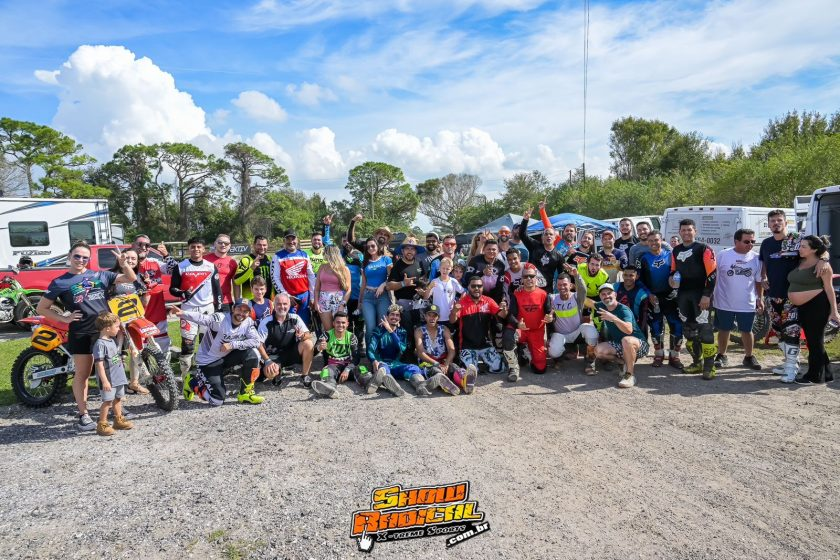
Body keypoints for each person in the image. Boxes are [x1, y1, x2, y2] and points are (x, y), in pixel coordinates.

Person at [37, 241, 136, 431]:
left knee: (113, 369)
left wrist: (124, 264)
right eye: (77, 256)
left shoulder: (100, 275)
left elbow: (130, 279)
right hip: (81, 332)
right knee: (83, 374)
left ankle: (117, 410)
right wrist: (64, 319)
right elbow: (42, 308)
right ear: (69, 256)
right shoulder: (60, 282)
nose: (80, 260)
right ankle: (84, 415)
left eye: (85, 257)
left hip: (104, 331)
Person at [758, 209, 827, 377]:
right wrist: (763, 276)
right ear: (768, 224)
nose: (776, 223)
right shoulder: (766, 243)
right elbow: (764, 263)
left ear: (786, 222)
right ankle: (791, 362)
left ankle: (790, 369)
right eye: (772, 221)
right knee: (778, 331)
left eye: (779, 220)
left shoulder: (797, 239)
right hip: (772, 295)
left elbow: (821, 248)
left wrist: (824, 259)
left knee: (791, 330)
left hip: (793, 295)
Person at [177, 298, 264, 405]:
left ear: (249, 313)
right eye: (239, 309)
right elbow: (202, 318)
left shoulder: (248, 322)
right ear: (233, 308)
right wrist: (183, 313)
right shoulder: (220, 319)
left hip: (226, 357)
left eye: (245, 311)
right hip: (208, 362)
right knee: (217, 400)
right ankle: (192, 381)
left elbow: (256, 341)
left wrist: (232, 345)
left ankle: (245, 393)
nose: (241, 313)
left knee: (254, 354)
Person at [786, 236, 838, 384]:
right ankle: (827, 374)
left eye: (804, 246)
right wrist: (824, 257)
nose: (800, 248)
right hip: (803, 307)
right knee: (813, 340)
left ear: (814, 249)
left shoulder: (823, 266)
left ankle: (815, 376)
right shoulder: (800, 260)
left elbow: (829, 289)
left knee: (815, 341)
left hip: (817, 305)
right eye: (800, 245)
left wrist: (834, 311)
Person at [670, 219, 717, 379]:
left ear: (695, 231)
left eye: (689, 230)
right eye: (683, 230)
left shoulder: (704, 248)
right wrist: (671, 279)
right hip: (683, 296)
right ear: (679, 232)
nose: (686, 233)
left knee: (705, 330)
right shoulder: (675, 250)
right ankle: (697, 363)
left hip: (700, 295)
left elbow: (712, 274)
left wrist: (707, 295)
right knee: (689, 331)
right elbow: (673, 271)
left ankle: (709, 367)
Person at [170, 237, 222, 377]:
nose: (196, 249)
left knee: (208, 344)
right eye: (193, 247)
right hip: (188, 310)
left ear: (204, 249)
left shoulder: (211, 266)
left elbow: (217, 290)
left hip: (207, 310)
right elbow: (172, 288)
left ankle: (205, 374)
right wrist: (182, 293)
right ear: (189, 249)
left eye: (199, 247)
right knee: (188, 346)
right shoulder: (181, 266)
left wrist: (218, 310)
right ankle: (185, 376)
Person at [713, 229, 764, 370]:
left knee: (747, 330)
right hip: (724, 301)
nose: (750, 244)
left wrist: (760, 298)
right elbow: (714, 276)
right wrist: (710, 294)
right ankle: (721, 355)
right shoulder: (723, 255)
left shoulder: (756, 258)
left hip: (747, 301)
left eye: (753, 241)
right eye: (746, 241)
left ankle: (749, 357)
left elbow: (758, 281)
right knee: (724, 329)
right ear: (736, 241)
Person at [637, 231, 684, 369]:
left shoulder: (671, 255)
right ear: (647, 242)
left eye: (656, 240)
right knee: (656, 327)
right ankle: (659, 355)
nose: (653, 243)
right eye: (650, 240)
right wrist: (649, 294)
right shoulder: (643, 258)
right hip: (654, 298)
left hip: (671, 297)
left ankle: (675, 356)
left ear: (661, 240)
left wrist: (677, 288)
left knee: (677, 325)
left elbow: (679, 274)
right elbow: (639, 280)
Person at [450, 276, 510, 380]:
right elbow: (452, 321)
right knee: (471, 372)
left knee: (499, 368)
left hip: (485, 344)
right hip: (467, 346)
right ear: (468, 287)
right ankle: (474, 363)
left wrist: (504, 309)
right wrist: (454, 312)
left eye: (479, 286)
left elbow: (502, 315)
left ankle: (484, 362)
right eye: (473, 286)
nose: (476, 288)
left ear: (482, 287)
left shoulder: (489, 301)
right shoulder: (461, 302)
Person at [109, 248, 150, 396]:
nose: (130, 261)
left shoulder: (138, 277)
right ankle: (118, 387)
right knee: (117, 353)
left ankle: (134, 383)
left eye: (134, 259)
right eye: (127, 258)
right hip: (115, 322)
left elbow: (144, 301)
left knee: (136, 350)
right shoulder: (111, 275)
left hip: (133, 320)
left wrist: (147, 289)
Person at [593, 283, 650, 388]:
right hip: (620, 344)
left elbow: (628, 330)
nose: (606, 296)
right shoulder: (602, 306)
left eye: (609, 293)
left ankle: (630, 375)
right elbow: (588, 302)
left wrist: (613, 318)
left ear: (615, 294)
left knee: (626, 340)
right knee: (598, 351)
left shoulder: (623, 309)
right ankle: (623, 362)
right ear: (600, 297)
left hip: (638, 345)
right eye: (603, 294)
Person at [505, 263, 552, 380]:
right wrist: (517, 324)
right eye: (526, 276)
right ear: (522, 279)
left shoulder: (544, 294)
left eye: (531, 276)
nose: (529, 278)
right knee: (508, 335)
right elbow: (510, 315)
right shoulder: (516, 293)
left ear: (536, 278)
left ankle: (526, 351)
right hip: (521, 330)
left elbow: (549, 314)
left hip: (537, 332)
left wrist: (551, 318)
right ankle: (513, 367)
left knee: (540, 369)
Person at [133, 235, 176, 360]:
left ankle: (163, 370)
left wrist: (166, 255)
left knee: (162, 346)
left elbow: (175, 270)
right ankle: (142, 370)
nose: (144, 247)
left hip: (156, 312)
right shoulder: (127, 263)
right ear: (133, 245)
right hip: (136, 314)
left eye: (147, 245)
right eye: (140, 244)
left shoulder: (154, 262)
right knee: (138, 349)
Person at [258, 293, 316, 385]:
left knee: (308, 343)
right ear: (274, 305)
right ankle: (278, 371)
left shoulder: (295, 318)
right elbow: (259, 344)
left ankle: (305, 376)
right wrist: (267, 361)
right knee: (270, 373)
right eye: (279, 304)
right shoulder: (266, 322)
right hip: (273, 356)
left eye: (285, 304)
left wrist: (302, 336)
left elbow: (309, 335)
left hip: (291, 354)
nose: (282, 307)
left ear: (289, 305)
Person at [92, 312, 134, 436]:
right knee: (108, 401)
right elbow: (99, 364)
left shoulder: (112, 341)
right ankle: (102, 424)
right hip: (109, 379)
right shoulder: (100, 344)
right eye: (116, 327)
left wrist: (120, 358)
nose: (118, 329)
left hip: (118, 377)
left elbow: (113, 358)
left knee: (118, 398)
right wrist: (104, 381)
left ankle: (118, 420)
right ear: (107, 328)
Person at [547, 274, 600, 372]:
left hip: (577, 332)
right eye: (559, 285)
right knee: (553, 352)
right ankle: (559, 359)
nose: (562, 287)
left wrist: (577, 276)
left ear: (570, 285)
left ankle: (590, 360)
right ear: (556, 286)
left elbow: (583, 290)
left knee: (592, 332)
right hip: (560, 334)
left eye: (565, 284)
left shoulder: (577, 297)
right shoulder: (552, 298)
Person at [414, 305, 467, 395]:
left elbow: (451, 349)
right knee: (436, 371)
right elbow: (420, 352)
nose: (432, 318)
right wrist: (436, 363)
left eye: (434, 316)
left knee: (455, 367)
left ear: (438, 317)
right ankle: (446, 384)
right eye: (429, 315)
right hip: (428, 362)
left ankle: (465, 382)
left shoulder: (444, 329)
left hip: (443, 361)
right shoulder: (419, 331)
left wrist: (446, 364)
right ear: (425, 316)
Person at [365, 304, 414, 397]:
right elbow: (371, 349)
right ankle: (395, 388)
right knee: (383, 369)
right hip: (381, 363)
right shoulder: (378, 331)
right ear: (387, 317)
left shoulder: (402, 332)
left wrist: (390, 331)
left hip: (396, 364)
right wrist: (374, 360)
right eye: (392, 314)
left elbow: (402, 348)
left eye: (397, 315)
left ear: (400, 318)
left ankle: (420, 385)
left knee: (414, 368)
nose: (394, 317)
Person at [311, 311, 362, 399]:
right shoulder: (326, 335)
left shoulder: (351, 336)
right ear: (333, 323)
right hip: (332, 367)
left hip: (347, 367)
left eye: (343, 322)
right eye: (338, 322)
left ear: (347, 324)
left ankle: (371, 384)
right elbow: (313, 352)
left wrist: (347, 369)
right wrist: (319, 347)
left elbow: (356, 357)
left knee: (362, 369)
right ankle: (330, 388)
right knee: (326, 371)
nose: (340, 325)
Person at [271, 229, 316, 326]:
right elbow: (275, 278)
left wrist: (312, 297)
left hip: (305, 296)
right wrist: (286, 295)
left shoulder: (304, 255)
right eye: (288, 239)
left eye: (293, 239)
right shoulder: (277, 256)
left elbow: (311, 276)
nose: (291, 242)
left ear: (297, 240)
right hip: (288, 297)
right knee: (289, 325)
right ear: (284, 241)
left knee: (304, 325)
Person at [387, 237, 427, 344]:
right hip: (403, 303)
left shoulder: (419, 262)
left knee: (419, 329)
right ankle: (407, 351)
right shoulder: (398, 265)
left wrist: (423, 289)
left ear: (416, 251)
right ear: (402, 251)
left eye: (412, 249)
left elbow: (424, 279)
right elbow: (389, 286)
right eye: (407, 248)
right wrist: (403, 283)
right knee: (407, 331)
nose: (410, 251)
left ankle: (418, 351)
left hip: (418, 302)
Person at [359, 237, 393, 349]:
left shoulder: (386, 260)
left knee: (382, 324)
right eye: (368, 247)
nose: (370, 248)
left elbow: (392, 278)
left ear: (378, 246)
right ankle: (371, 353)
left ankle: (381, 352)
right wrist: (360, 301)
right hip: (368, 297)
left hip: (383, 296)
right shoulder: (364, 262)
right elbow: (363, 284)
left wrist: (383, 285)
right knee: (370, 327)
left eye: (373, 246)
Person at [519, 208, 565, 287]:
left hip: (547, 289)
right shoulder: (534, 246)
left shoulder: (559, 256)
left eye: (551, 234)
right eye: (546, 234)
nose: (548, 236)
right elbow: (522, 235)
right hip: (530, 287)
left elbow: (561, 275)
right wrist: (525, 220)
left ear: (555, 238)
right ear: (542, 237)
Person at [313, 245, 351, 334]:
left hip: (339, 301)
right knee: (328, 331)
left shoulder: (344, 269)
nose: (323, 254)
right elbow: (317, 288)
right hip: (323, 300)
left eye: (325, 252)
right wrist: (316, 303)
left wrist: (343, 304)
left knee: (340, 330)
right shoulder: (322, 267)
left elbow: (348, 290)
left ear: (330, 254)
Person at [421, 257, 463, 332]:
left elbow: (463, 292)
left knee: (450, 336)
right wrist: (429, 288)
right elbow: (425, 297)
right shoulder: (434, 281)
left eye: (447, 269)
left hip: (450, 316)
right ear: (439, 268)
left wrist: (459, 302)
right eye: (443, 268)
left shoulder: (453, 281)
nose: (445, 270)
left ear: (451, 269)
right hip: (437, 317)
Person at [205, 233, 239, 311]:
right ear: (215, 244)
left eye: (226, 243)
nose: (223, 245)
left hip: (226, 302)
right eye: (220, 242)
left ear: (230, 246)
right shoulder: (205, 259)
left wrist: (237, 302)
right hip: (207, 301)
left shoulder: (232, 262)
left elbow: (236, 283)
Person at [234, 235, 273, 299]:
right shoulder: (246, 260)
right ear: (254, 245)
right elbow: (237, 281)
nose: (262, 247)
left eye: (264, 245)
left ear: (267, 246)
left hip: (268, 300)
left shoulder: (270, 259)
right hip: (251, 301)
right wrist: (251, 268)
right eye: (259, 245)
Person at [614, 267, 650, 336]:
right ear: (622, 275)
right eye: (625, 275)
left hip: (634, 327)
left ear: (637, 276)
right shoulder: (614, 287)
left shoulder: (642, 294)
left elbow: (643, 318)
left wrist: (640, 335)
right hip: (616, 324)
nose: (628, 278)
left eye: (631, 275)